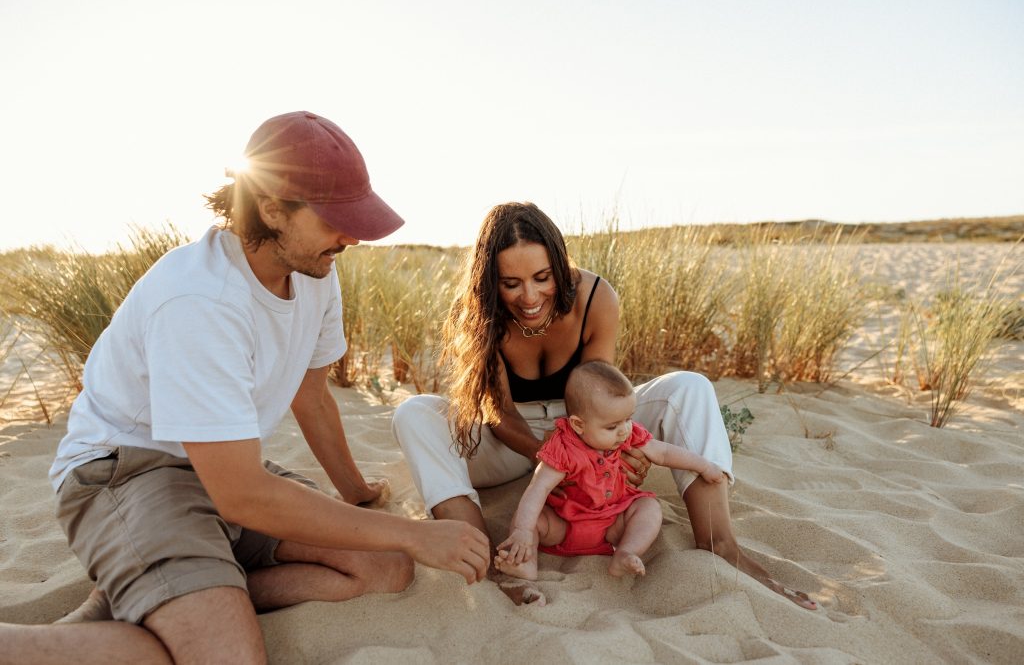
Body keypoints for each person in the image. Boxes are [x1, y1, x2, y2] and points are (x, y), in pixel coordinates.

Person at [0, 111, 489, 665]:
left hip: (221, 471)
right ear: (272, 207)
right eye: (335, 219)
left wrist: (357, 495)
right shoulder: (200, 300)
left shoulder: (315, 272)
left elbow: (312, 396)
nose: (351, 237)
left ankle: (165, 591)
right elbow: (241, 494)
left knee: (384, 567)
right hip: (127, 472)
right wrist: (416, 533)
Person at [393, 201, 817, 610]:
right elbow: (498, 412)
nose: (530, 296)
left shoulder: (595, 296)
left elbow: (600, 393)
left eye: (543, 277)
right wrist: (553, 458)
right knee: (414, 414)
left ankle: (721, 543)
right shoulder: (478, 312)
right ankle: (486, 560)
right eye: (511, 284)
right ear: (491, 282)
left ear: (559, 265)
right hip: (515, 442)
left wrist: (611, 447)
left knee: (689, 387)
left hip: (587, 427)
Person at [494, 360, 725, 600]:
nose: (624, 430)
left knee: (648, 507)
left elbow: (663, 453)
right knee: (534, 521)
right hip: (564, 524)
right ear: (578, 425)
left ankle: (626, 552)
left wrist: (704, 465)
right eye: (613, 426)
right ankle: (526, 563)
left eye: (628, 419)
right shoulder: (562, 448)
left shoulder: (627, 434)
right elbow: (537, 488)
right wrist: (522, 530)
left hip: (613, 523)